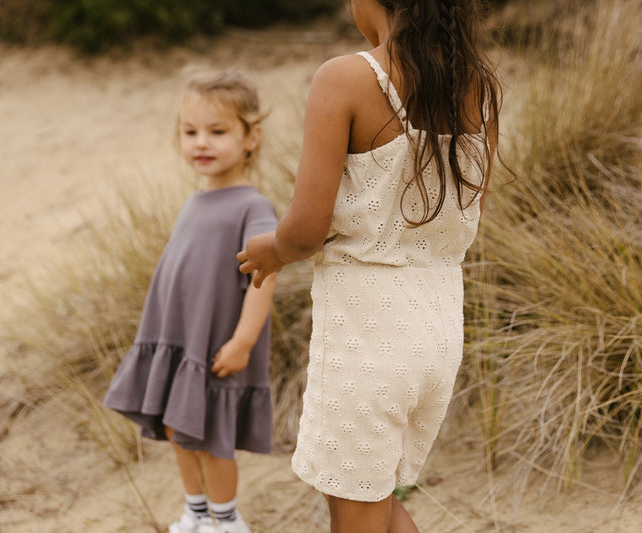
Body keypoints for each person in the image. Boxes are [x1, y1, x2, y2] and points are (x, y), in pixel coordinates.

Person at [236, 1, 502, 531]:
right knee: (374, 501)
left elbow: (307, 228)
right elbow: (464, 209)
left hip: (370, 333)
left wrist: (272, 249)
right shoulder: (477, 84)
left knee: (355, 511)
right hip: (440, 324)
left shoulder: (347, 78)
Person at [104, 70, 278, 533]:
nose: (201, 142)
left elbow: (264, 277)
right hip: (179, 342)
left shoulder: (252, 206)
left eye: (217, 132)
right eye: (190, 131)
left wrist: (242, 340)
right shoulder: (194, 202)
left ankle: (227, 520)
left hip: (216, 345)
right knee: (178, 429)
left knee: (211, 438)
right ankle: (195, 513)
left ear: (250, 138)